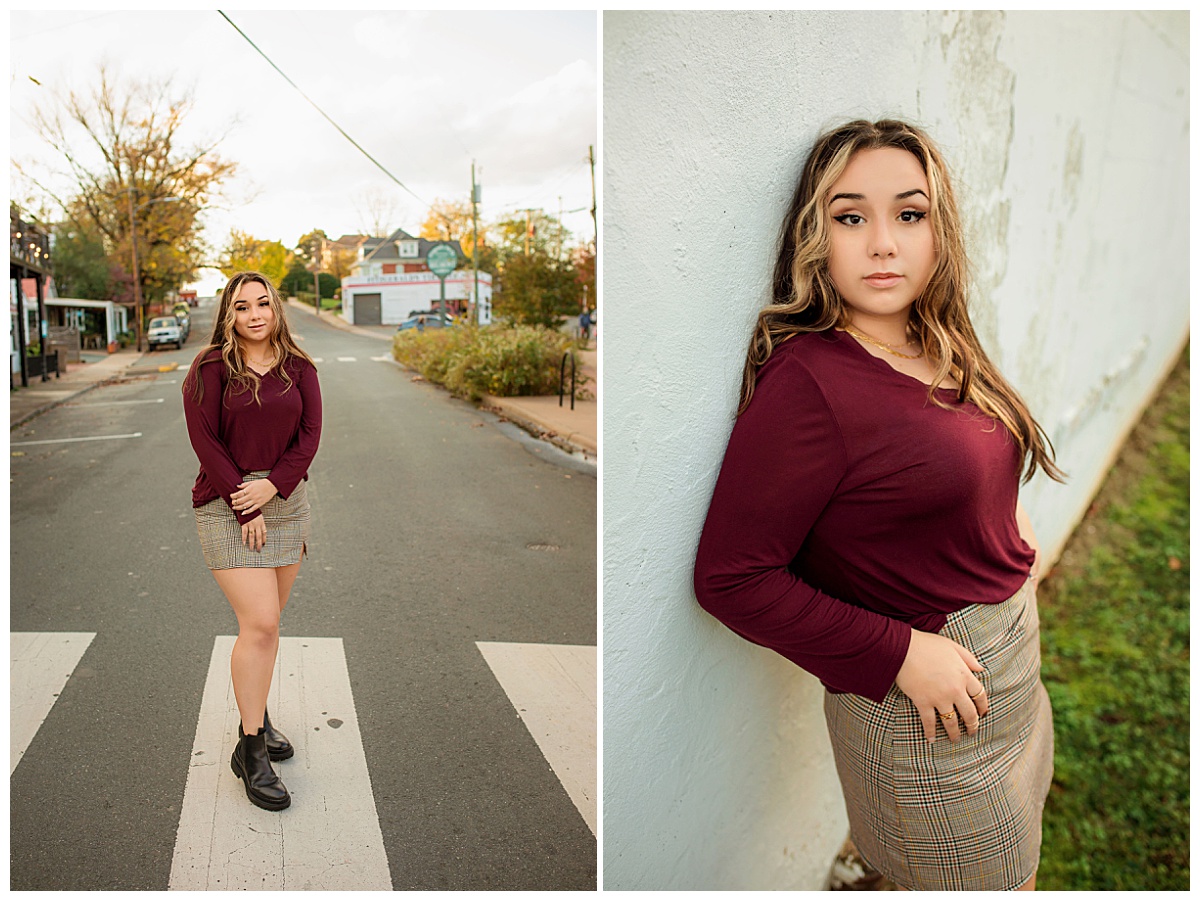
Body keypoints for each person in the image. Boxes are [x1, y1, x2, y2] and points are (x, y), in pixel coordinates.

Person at [692, 119, 1066, 891]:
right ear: (814, 234)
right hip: (928, 720)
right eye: (851, 216)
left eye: (909, 213)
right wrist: (900, 652)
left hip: (1010, 680)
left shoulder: (941, 337)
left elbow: (966, 469)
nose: (883, 243)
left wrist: (1012, 542)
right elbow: (730, 576)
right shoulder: (810, 382)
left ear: (939, 231)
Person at [183, 271, 322, 812]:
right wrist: (247, 501)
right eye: (242, 307)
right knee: (260, 623)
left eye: (263, 303)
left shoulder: (300, 367)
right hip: (227, 500)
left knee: (268, 627)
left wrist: (275, 486)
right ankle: (252, 749)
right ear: (229, 316)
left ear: (276, 309)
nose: (255, 314)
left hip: (287, 504)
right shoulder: (211, 368)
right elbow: (205, 440)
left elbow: (310, 435)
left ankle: (255, 716)